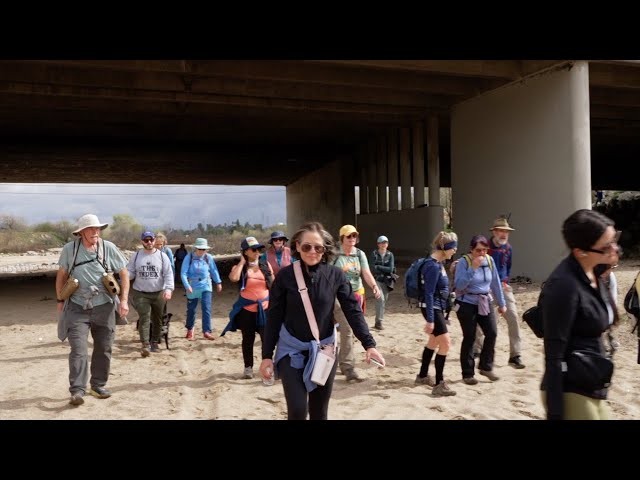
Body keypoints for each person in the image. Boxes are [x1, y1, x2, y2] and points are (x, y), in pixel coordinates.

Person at [259, 221, 386, 420]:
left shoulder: (335, 275)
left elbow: (352, 310)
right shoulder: (285, 277)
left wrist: (369, 344)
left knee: (319, 412)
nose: (312, 251)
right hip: (291, 351)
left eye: (318, 247)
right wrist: (267, 355)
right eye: (307, 246)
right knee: (298, 410)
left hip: (324, 351)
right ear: (297, 247)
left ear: (325, 249)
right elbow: (273, 317)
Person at [541, 209, 620, 420]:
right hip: (570, 387)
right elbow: (553, 355)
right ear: (580, 251)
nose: (615, 249)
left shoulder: (595, 271)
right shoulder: (564, 286)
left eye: (614, 239)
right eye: (606, 246)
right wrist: (555, 413)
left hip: (591, 379)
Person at [55, 213, 129, 406]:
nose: (96, 232)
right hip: (77, 307)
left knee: (104, 348)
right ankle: (77, 390)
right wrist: (59, 299)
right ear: (81, 232)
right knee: (78, 350)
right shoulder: (69, 250)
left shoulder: (109, 248)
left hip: (104, 307)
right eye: (91, 229)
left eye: (97, 228)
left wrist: (124, 300)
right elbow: (61, 276)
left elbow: (124, 273)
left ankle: (97, 386)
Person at [453, 234, 506, 385]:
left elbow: (495, 282)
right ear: (471, 250)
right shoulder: (464, 262)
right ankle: (468, 373)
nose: (482, 253)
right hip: (466, 302)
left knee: (492, 333)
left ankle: (486, 366)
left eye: (484, 250)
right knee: (469, 337)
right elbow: (460, 285)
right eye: (478, 250)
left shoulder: (489, 260)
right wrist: (473, 268)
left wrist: (501, 303)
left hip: (485, 301)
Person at [332, 224, 381, 382]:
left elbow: (365, 272)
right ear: (342, 238)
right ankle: (348, 367)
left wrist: (374, 286)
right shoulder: (334, 255)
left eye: (354, 236)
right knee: (346, 329)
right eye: (349, 236)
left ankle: (343, 364)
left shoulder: (359, 254)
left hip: (356, 295)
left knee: (350, 329)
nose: (352, 239)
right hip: (338, 297)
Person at [474, 217, 525, 369]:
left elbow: (507, 267)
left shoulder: (508, 248)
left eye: (506, 232)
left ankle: (515, 355)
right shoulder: (484, 247)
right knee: (485, 320)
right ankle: (477, 348)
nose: (504, 234)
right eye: (501, 231)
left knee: (513, 317)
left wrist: (505, 281)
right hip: (486, 288)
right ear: (494, 232)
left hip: (503, 287)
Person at [222, 236, 274, 380]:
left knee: (267, 340)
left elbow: (273, 284)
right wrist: (242, 262)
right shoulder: (240, 267)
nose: (257, 252)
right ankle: (248, 368)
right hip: (247, 311)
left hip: (265, 309)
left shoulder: (265, 266)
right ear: (245, 252)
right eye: (253, 249)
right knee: (248, 339)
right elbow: (234, 278)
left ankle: (267, 367)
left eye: (259, 249)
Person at [414, 231, 458, 396]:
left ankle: (423, 375)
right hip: (432, 308)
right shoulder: (432, 266)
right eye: (453, 248)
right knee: (445, 343)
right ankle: (439, 383)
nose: (455, 250)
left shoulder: (438, 263)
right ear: (444, 247)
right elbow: (429, 294)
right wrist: (431, 320)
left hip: (437, 308)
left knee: (433, 341)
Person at [127, 231, 174, 357]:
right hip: (141, 293)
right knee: (144, 317)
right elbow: (130, 272)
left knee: (157, 318)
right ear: (142, 241)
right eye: (146, 240)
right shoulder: (136, 256)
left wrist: (169, 289)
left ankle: (154, 342)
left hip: (158, 292)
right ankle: (145, 345)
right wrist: (125, 276)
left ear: (154, 240)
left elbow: (168, 274)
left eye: (151, 240)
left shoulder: (162, 256)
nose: (149, 242)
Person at [180, 238, 223, 340]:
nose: (202, 251)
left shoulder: (208, 258)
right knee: (191, 309)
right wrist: (187, 285)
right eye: (200, 249)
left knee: (206, 308)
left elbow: (213, 270)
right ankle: (190, 329)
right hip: (192, 285)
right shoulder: (189, 257)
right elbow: (183, 273)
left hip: (206, 285)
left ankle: (207, 331)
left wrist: (218, 282)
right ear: (195, 248)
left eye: (204, 249)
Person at [370, 235, 395, 330]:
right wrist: (381, 269)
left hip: (387, 281)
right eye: (382, 242)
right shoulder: (374, 254)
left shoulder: (390, 254)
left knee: (384, 301)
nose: (383, 244)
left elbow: (390, 269)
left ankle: (377, 322)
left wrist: (378, 267)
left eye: (385, 242)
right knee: (380, 299)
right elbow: (372, 268)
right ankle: (379, 322)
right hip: (377, 280)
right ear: (378, 244)